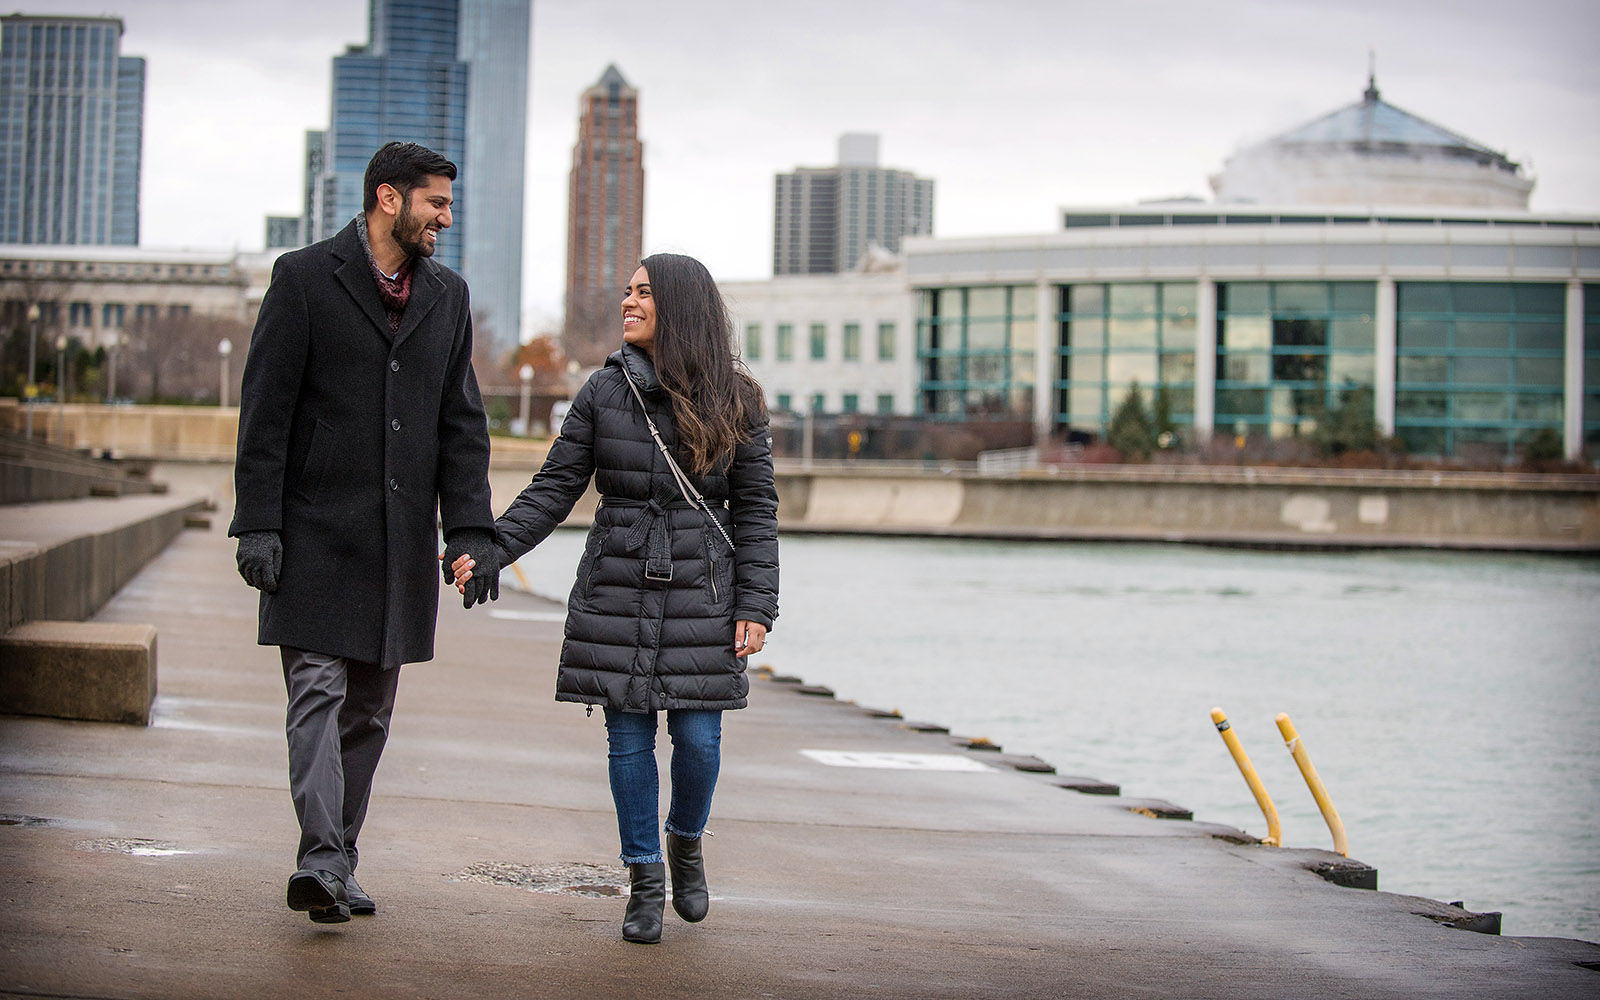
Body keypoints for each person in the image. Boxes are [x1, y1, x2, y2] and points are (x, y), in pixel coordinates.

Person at [451, 252, 779, 944]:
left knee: (698, 738)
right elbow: (553, 489)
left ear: (680, 309)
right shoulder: (603, 393)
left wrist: (757, 605)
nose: (626, 304)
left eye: (641, 294)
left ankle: (684, 840)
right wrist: (490, 550)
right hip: (619, 580)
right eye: (627, 293)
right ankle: (644, 878)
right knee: (627, 736)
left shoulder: (739, 400)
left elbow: (756, 513)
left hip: (702, 588)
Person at [230, 141, 503, 924]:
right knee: (316, 691)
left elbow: (461, 425)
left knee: (369, 713)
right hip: (312, 529)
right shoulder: (305, 278)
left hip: (398, 540)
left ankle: (337, 860)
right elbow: (266, 412)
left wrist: (472, 533)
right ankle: (320, 861)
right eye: (436, 204)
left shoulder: (448, 297)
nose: (446, 219)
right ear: (390, 198)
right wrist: (257, 524)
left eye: (449, 206)